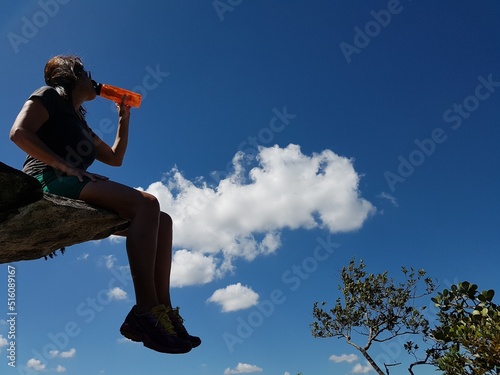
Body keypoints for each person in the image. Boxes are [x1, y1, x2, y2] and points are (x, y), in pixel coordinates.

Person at [9, 55, 201, 354]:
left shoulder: (81, 123)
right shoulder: (48, 96)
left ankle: (164, 311)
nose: (92, 78)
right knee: (147, 204)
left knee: (163, 220)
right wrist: (67, 166)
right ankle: (145, 311)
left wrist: (124, 118)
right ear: (70, 76)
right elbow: (19, 133)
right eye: (85, 72)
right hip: (47, 179)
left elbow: (115, 158)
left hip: (73, 183)